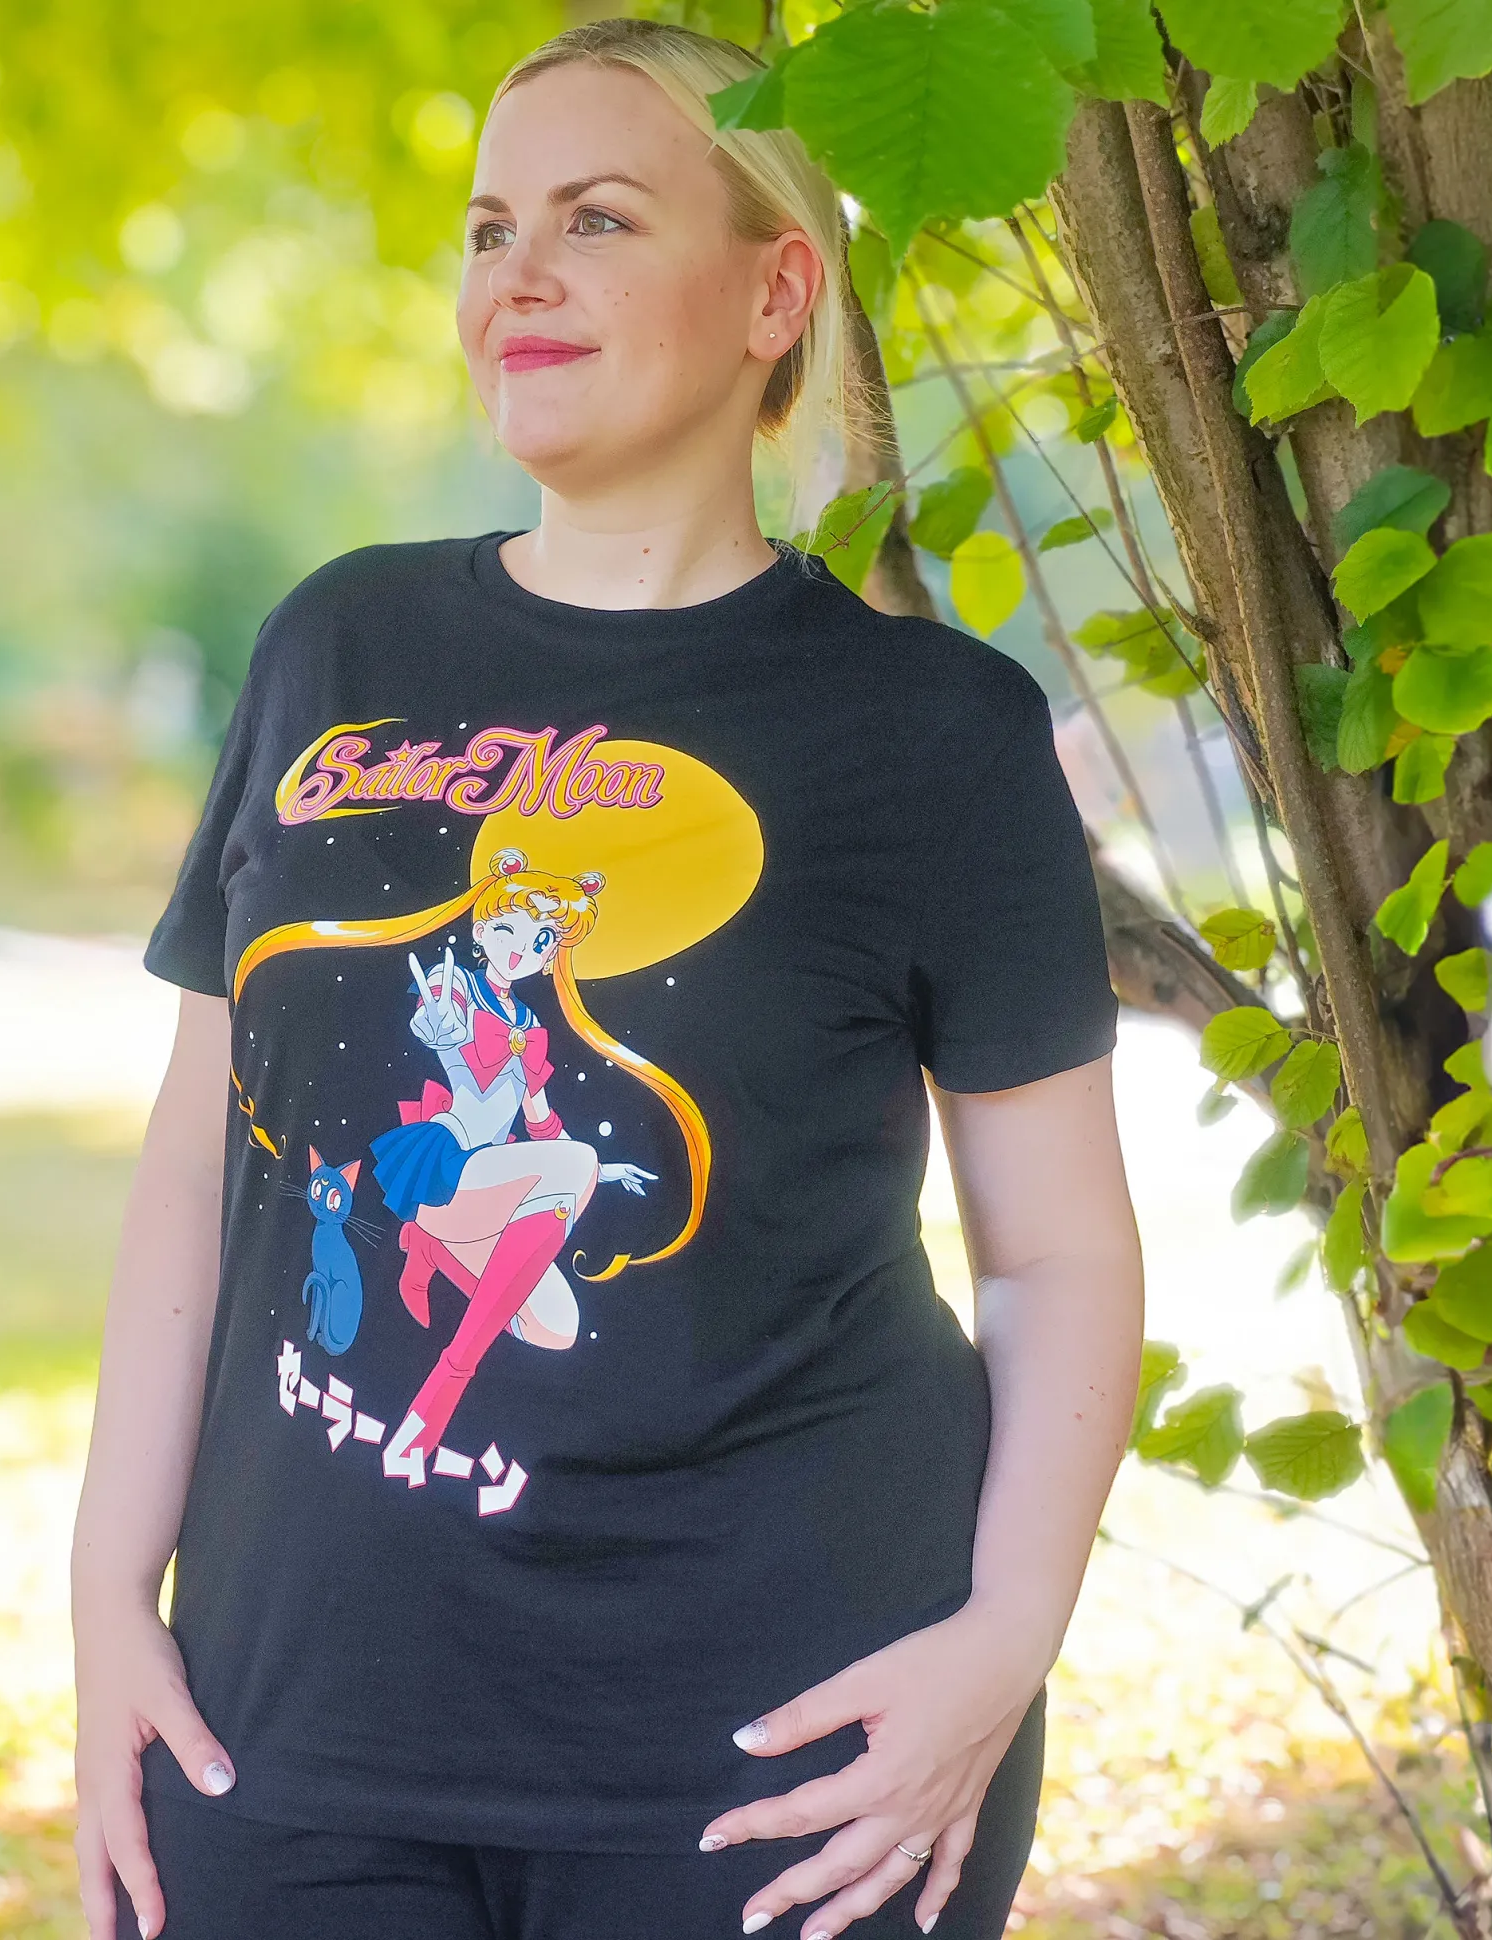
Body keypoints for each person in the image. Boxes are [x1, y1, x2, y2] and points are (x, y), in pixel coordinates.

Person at [71, 17, 1145, 1940]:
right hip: (289, 1723)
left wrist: (1005, 1638)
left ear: (776, 293)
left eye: (598, 219)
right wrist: (104, 1602)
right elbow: (196, 1167)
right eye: (491, 230)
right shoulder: (337, 647)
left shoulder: (934, 734)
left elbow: (1056, 1253)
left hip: (788, 1759)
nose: (520, 276)